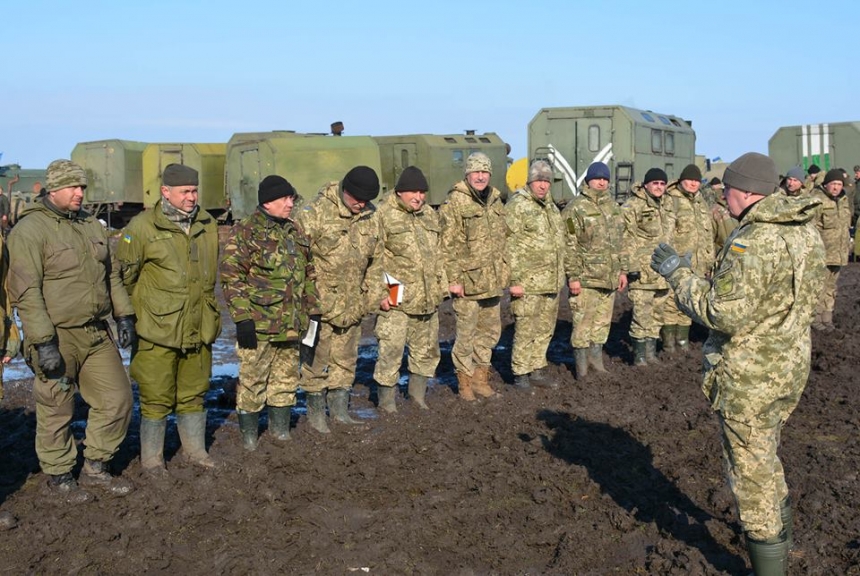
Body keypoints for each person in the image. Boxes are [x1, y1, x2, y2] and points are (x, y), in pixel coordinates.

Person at [650, 152, 825, 575]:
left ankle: (771, 566)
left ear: (746, 192)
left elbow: (722, 312)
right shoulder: (803, 229)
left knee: (750, 473)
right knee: (766, 454)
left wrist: (677, 275)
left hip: (751, 376)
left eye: (726, 188)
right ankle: (785, 546)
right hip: (787, 366)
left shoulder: (754, 241)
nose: (721, 195)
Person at [8, 159, 137, 499]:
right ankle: (61, 475)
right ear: (53, 189)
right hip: (56, 336)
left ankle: (96, 464)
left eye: (83, 187)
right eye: (74, 187)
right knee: (56, 407)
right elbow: (25, 290)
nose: (81, 193)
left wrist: (124, 316)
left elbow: (111, 275)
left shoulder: (90, 225)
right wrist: (43, 341)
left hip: (95, 332)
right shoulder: (30, 230)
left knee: (118, 399)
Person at [117, 163, 221, 473]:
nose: (192, 197)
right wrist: (137, 315)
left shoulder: (207, 223)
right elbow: (126, 279)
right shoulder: (142, 227)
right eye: (185, 192)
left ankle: (196, 452)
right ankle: (152, 460)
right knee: (155, 396)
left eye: (194, 190)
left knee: (194, 393)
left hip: (198, 324)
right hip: (157, 329)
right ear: (165, 192)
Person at [220, 175, 320, 450]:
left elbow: (309, 274)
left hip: (291, 323)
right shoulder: (246, 232)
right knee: (253, 381)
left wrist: (314, 312)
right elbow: (231, 277)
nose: (290, 204)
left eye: (292, 199)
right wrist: (242, 320)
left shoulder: (294, 231)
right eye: (285, 199)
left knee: (286, 380)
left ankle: (280, 430)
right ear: (268, 202)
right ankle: (250, 436)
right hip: (259, 325)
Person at [295, 166, 380, 431]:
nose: (361, 205)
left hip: (353, 305)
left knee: (346, 360)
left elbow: (378, 259)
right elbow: (297, 260)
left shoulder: (371, 215)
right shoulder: (315, 213)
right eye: (357, 200)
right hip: (319, 306)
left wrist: (372, 297)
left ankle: (341, 411)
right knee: (315, 362)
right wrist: (305, 301)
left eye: (366, 201)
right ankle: (317, 415)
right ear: (345, 190)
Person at [366, 166, 446, 411]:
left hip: (427, 300)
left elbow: (439, 254)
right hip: (397, 300)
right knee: (390, 352)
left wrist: (441, 287)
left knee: (426, 352)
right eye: (413, 191)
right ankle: (387, 402)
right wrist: (380, 295)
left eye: (422, 192)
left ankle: (417, 396)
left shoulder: (430, 215)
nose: (418, 197)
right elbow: (373, 260)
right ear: (400, 192)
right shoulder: (383, 215)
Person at [439, 152, 509, 400]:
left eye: (484, 172)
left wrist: (504, 270)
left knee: (489, 334)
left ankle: (481, 379)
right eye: (476, 172)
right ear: (467, 174)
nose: (480, 177)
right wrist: (453, 280)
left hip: (492, 282)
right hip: (467, 284)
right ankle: (465, 383)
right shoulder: (455, 203)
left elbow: (503, 240)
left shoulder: (496, 200)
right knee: (466, 335)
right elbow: (447, 246)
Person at [561, 161, 627, 378]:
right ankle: (581, 368)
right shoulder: (575, 208)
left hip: (608, 278)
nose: (601, 182)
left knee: (601, 324)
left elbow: (620, 242)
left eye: (605, 178)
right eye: (597, 178)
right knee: (582, 323)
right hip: (586, 278)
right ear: (588, 180)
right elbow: (569, 243)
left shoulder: (614, 208)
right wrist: (573, 277)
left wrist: (622, 271)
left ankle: (596, 363)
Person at [505, 160, 564, 390]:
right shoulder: (518, 206)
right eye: (539, 180)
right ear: (530, 181)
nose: (543, 185)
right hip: (527, 283)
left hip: (550, 282)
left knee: (544, 328)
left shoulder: (551, 208)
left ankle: (537, 369)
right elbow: (508, 245)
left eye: (546, 181)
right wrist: (514, 280)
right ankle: (520, 373)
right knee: (525, 328)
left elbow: (559, 242)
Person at [621, 167, 675, 366]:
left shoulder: (667, 206)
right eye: (655, 183)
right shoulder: (633, 206)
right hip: (642, 272)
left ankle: (651, 354)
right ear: (646, 185)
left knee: (657, 315)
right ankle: (640, 356)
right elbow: (625, 237)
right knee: (641, 315)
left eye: (662, 184)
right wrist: (630, 267)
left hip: (662, 272)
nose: (659, 187)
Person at [662, 164, 715, 353]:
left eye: (696, 181)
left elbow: (707, 235)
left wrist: (709, 261)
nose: (693, 184)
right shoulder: (672, 201)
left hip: (697, 264)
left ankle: (682, 341)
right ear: (681, 181)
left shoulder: (701, 202)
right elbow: (665, 235)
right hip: (677, 264)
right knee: (671, 302)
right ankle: (669, 344)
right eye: (690, 180)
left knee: (689, 302)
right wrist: (668, 262)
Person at [810, 168, 852, 331]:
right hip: (822, 254)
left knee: (831, 287)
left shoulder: (843, 200)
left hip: (838, 254)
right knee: (820, 287)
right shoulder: (817, 200)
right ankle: (816, 319)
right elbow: (811, 228)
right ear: (826, 184)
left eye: (839, 184)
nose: (836, 187)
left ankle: (827, 318)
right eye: (833, 184)